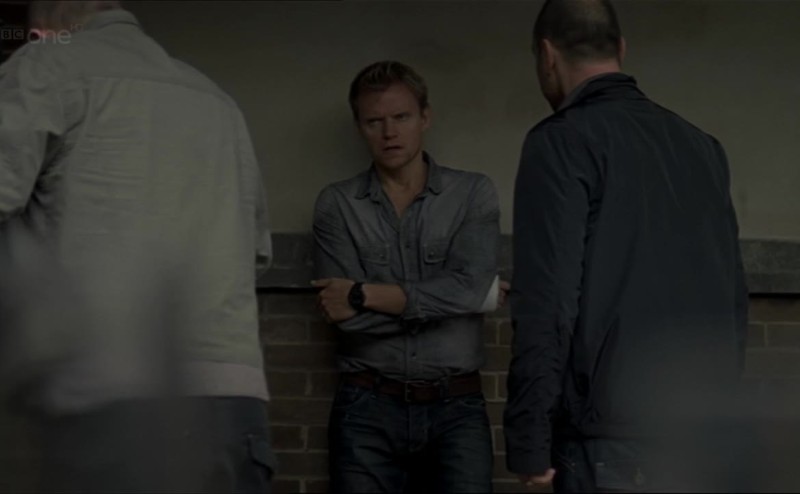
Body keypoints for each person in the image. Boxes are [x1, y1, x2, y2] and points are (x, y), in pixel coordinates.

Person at [0, 1, 275, 492]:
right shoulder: (218, 101)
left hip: (106, 399)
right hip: (231, 401)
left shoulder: (45, 64)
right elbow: (253, 254)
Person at [503, 0, 748, 492]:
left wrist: (529, 439)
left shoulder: (561, 142)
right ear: (620, 48)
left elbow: (548, 302)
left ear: (547, 56)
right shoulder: (703, 147)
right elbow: (733, 299)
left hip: (609, 444)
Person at [311, 60, 507, 493]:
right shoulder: (337, 204)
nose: (389, 132)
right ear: (359, 127)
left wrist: (362, 295)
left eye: (401, 117)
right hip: (365, 407)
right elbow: (343, 318)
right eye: (374, 121)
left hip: (456, 407)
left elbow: (468, 289)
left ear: (425, 117)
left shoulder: (472, 193)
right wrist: (458, 302)